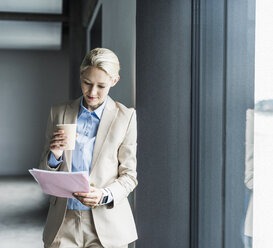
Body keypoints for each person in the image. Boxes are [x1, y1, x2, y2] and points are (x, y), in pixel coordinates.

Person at [39, 48, 138, 248]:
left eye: (101, 86)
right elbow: (44, 169)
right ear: (81, 75)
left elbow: (129, 176)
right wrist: (54, 155)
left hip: (107, 224)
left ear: (114, 81)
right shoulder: (58, 112)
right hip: (63, 222)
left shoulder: (125, 118)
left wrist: (104, 194)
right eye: (87, 83)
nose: (92, 92)